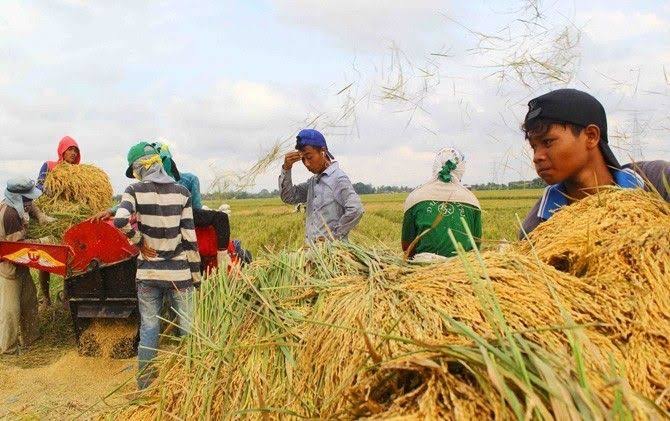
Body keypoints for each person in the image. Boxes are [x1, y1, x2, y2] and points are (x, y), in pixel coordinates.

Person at [520, 88, 670, 238]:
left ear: (591, 136)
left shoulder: (657, 182)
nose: (537, 157)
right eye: (534, 147)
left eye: (547, 142)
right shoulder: (538, 228)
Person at [113, 142, 200, 389]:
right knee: (187, 328)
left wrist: (139, 241)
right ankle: (189, 382)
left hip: (148, 272)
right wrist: (196, 277)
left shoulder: (134, 190)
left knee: (150, 328)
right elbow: (189, 238)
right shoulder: (183, 192)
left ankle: (145, 385)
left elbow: (120, 221)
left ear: (139, 168)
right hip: (179, 274)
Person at [94, 142, 234, 267]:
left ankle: (222, 258)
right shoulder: (185, 182)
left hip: (179, 215)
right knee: (220, 217)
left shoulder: (188, 180)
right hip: (180, 217)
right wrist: (112, 211)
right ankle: (220, 259)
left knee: (220, 217)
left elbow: (195, 207)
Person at [279, 129, 364, 243]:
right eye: (303, 159)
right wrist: (286, 168)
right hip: (313, 253)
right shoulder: (313, 182)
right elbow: (289, 197)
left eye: (309, 157)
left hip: (333, 255)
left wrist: (333, 237)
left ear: (323, 152)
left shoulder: (338, 179)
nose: (307, 164)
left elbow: (356, 209)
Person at [401, 148, 482, 261]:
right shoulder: (471, 200)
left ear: (435, 166)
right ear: (461, 169)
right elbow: (476, 246)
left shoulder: (415, 197)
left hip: (423, 267)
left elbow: (406, 246)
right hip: (463, 268)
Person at [0, 178, 48, 354]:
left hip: (21, 266)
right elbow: (18, 249)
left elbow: (32, 207)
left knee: (29, 301)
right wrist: (43, 242)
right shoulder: (10, 214)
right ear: (17, 197)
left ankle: (31, 339)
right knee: (10, 311)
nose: (31, 201)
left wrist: (41, 216)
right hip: (8, 267)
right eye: (28, 198)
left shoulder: (18, 205)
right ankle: (8, 349)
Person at [35, 135, 80, 309]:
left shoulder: (79, 172)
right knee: (45, 257)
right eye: (70, 149)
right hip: (51, 217)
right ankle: (45, 298)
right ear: (62, 150)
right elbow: (39, 186)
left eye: (76, 150)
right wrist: (53, 189)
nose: (73, 153)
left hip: (70, 220)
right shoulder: (50, 166)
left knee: (70, 258)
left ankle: (66, 297)